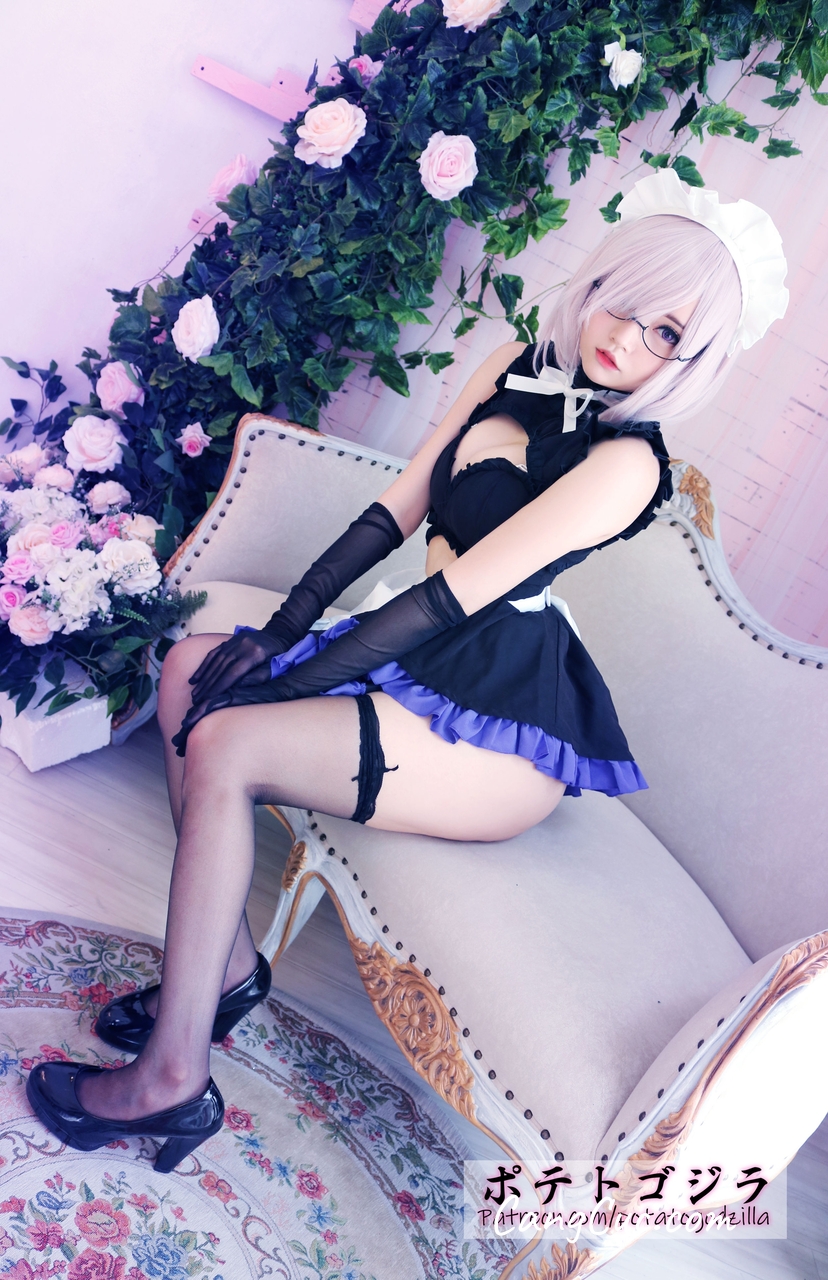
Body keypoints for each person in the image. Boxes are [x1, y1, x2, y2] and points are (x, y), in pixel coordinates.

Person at [26, 169, 788, 1171]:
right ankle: (228, 974)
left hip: (498, 728)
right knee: (191, 672)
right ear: (597, 280)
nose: (626, 336)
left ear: (692, 361)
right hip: (428, 656)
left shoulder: (627, 465)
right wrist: (279, 629)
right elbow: (397, 507)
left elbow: (449, 600)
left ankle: (171, 1082)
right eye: (624, 299)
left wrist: (286, 681)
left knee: (226, 739)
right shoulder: (517, 363)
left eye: (666, 332)